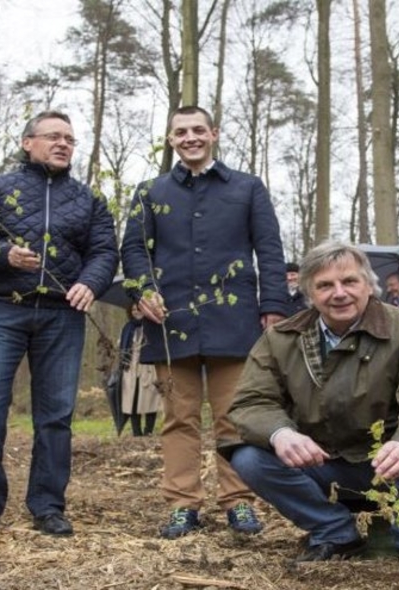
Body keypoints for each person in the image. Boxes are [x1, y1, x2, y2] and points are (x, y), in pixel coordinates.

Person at [223, 240, 399, 576]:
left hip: (395, 465)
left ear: (368, 284)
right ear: (309, 292)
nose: (339, 293)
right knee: (249, 457)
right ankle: (335, 533)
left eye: (349, 281)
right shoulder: (281, 338)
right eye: (325, 285)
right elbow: (251, 401)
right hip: (324, 464)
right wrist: (280, 434)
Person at [120, 105, 287, 539]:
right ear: (171, 139)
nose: (190, 137)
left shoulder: (247, 188)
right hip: (170, 323)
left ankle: (239, 502)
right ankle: (183, 504)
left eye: (198, 129)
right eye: (181, 131)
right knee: (179, 418)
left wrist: (273, 306)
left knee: (236, 417)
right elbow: (134, 251)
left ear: (213, 133)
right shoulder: (150, 192)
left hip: (235, 322)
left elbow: (269, 250)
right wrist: (143, 290)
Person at [0, 110, 117, 538]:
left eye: (70, 139)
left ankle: (48, 505)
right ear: (28, 142)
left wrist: (90, 283)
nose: (63, 144)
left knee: (56, 415)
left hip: (62, 314)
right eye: (53, 137)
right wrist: (1, 254)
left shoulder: (88, 199)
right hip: (1, 308)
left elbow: (104, 251)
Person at [114, 306, 161, 436]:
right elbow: (120, 345)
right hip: (130, 368)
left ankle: (149, 430)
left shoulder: (153, 326)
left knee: (150, 399)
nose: (136, 311)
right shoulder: (127, 328)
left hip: (149, 367)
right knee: (132, 400)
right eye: (133, 309)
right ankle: (136, 431)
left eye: (139, 309)